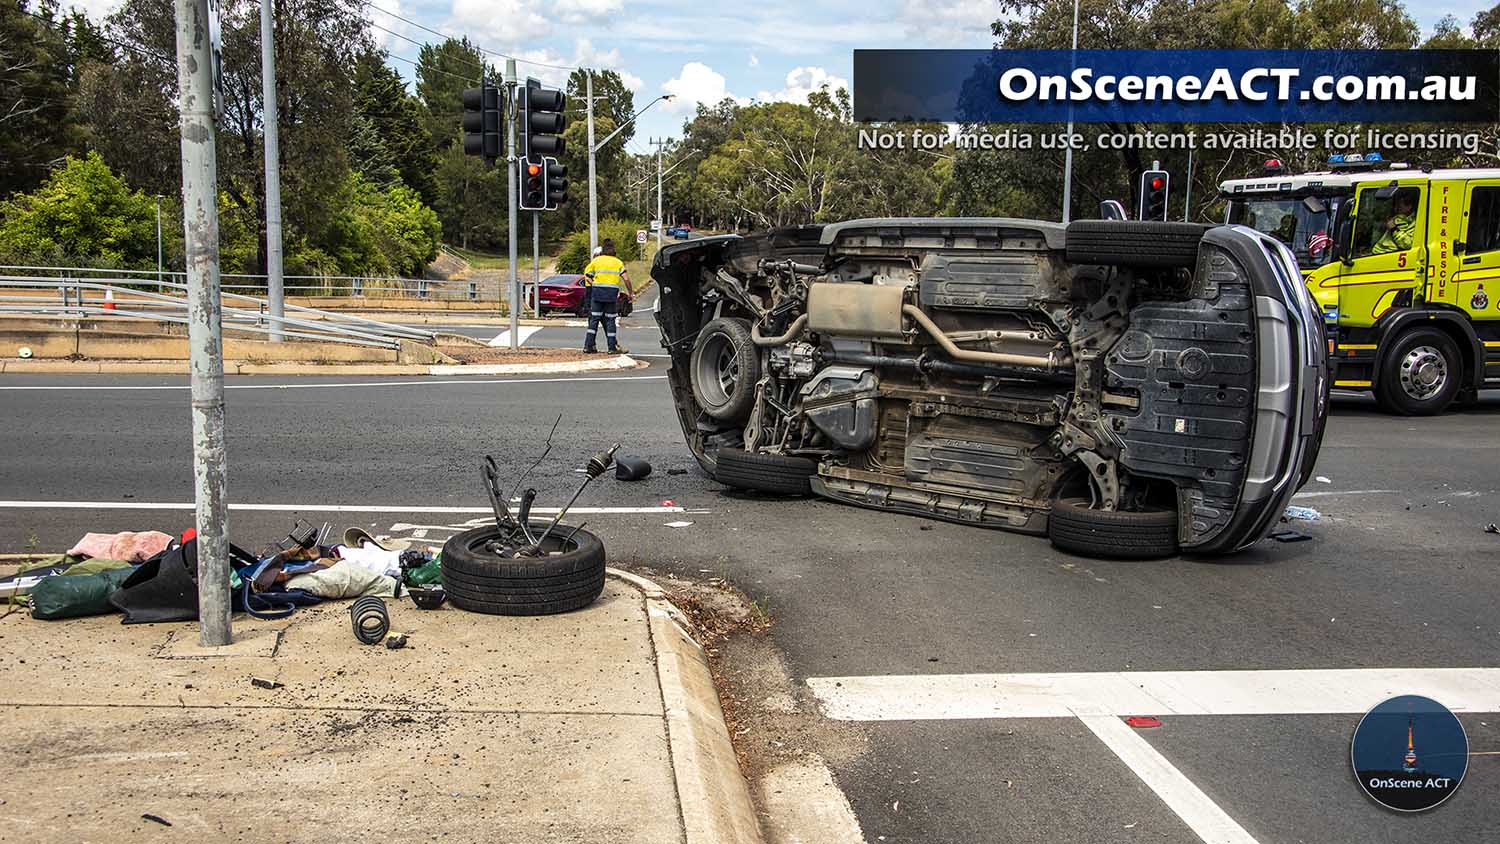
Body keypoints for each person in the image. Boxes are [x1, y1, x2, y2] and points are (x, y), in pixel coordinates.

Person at [581, 239, 629, 354]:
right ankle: (612, 348)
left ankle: (588, 346)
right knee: (610, 320)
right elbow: (626, 278)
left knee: (594, 320)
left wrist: (594, 284)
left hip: (596, 293)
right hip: (611, 295)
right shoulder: (617, 262)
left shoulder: (596, 261)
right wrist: (630, 293)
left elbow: (587, 276)